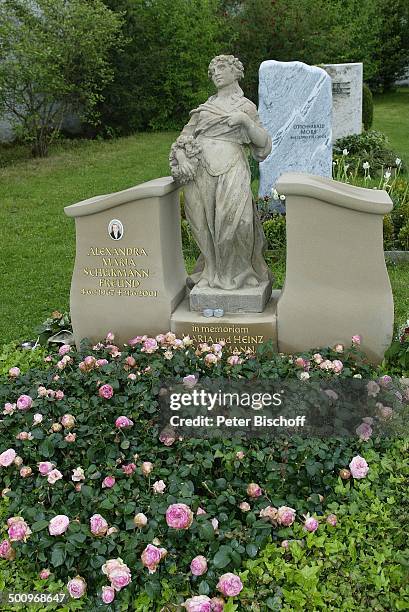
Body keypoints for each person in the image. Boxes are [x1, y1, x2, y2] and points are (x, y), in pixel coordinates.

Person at [170, 55, 272, 291]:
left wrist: (245, 122)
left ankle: (240, 272)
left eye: (221, 67)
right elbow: (183, 139)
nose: (215, 72)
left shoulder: (245, 107)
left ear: (236, 72)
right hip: (201, 171)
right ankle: (211, 271)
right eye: (212, 69)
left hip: (232, 167)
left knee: (240, 222)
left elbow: (263, 145)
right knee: (202, 223)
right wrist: (183, 157)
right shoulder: (205, 108)